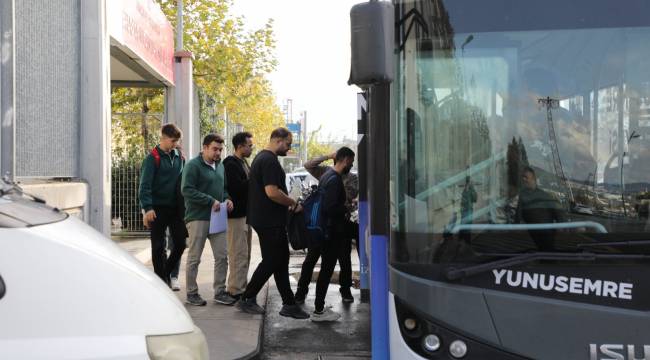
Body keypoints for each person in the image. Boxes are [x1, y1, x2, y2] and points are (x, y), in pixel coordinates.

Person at [236, 128, 310, 319]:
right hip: (269, 221)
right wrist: (293, 203)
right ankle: (247, 298)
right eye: (288, 143)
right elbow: (272, 192)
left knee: (281, 261)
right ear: (278, 140)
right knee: (272, 261)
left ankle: (289, 304)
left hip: (266, 220)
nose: (289, 148)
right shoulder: (268, 161)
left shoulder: (261, 158)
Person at [295, 147, 355, 321]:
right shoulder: (335, 179)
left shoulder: (326, 176)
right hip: (331, 232)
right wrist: (346, 207)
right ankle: (319, 310)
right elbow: (330, 207)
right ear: (344, 160)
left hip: (321, 229)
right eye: (350, 162)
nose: (350, 166)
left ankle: (315, 305)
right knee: (326, 270)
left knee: (318, 265)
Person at [181, 134, 235, 306]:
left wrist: (227, 199)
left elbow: (223, 189)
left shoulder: (220, 167)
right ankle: (191, 293)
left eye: (220, 149)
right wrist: (210, 201)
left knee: (222, 256)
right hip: (198, 217)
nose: (218, 152)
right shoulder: (192, 166)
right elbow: (187, 190)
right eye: (214, 149)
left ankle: (220, 291)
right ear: (204, 148)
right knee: (195, 257)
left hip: (218, 218)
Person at [138, 124, 187, 287]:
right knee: (159, 247)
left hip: (176, 209)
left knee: (180, 243)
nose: (175, 144)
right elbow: (144, 185)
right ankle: (161, 281)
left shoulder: (179, 156)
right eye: (173, 141)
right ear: (164, 138)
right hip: (157, 209)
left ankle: (165, 274)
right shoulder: (152, 158)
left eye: (177, 141)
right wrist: (148, 208)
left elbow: (183, 181)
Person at [223, 132, 254, 300]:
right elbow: (236, 188)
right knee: (238, 253)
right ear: (240, 146)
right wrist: (254, 178)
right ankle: (235, 289)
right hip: (235, 217)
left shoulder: (244, 163)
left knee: (245, 253)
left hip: (245, 215)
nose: (251, 148)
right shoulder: (230, 163)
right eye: (249, 145)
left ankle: (241, 285)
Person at [516, 166, 566, 251]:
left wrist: (562, 227)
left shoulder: (545, 196)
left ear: (534, 178)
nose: (524, 180)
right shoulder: (520, 196)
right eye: (522, 177)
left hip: (547, 237)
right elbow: (518, 217)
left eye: (526, 177)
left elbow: (559, 216)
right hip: (528, 239)